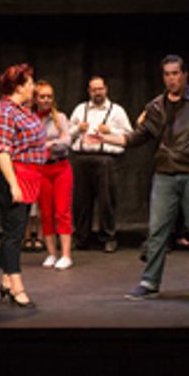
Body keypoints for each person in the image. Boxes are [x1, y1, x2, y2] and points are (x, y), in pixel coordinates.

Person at [89, 55, 189, 300]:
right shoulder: (156, 106)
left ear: (185, 75)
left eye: (175, 73)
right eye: (167, 74)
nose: (171, 79)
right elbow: (136, 137)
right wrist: (105, 138)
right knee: (157, 231)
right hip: (165, 174)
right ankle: (150, 282)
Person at [0, 63, 47, 308]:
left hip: (28, 175)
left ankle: (5, 282)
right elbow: (2, 151)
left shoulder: (23, 110)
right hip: (11, 174)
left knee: (16, 229)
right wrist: (13, 185)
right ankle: (17, 286)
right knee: (14, 233)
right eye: (30, 83)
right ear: (19, 87)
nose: (34, 87)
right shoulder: (3, 112)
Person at [68, 76, 132, 253]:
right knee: (81, 202)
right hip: (82, 159)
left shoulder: (117, 111)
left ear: (106, 89)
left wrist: (110, 130)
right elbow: (67, 134)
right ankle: (82, 238)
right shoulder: (80, 109)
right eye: (94, 89)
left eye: (100, 89)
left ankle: (108, 237)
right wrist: (77, 129)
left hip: (106, 160)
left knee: (106, 201)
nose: (97, 92)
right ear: (89, 91)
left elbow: (129, 135)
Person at [32, 80, 74, 270]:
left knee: (62, 211)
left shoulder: (60, 117)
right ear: (36, 99)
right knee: (46, 213)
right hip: (41, 169)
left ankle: (66, 255)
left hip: (60, 168)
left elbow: (67, 140)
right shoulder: (31, 119)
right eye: (42, 96)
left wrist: (49, 144)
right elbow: (30, 144)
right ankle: (51, 254)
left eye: (49, 96)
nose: (46, 100)